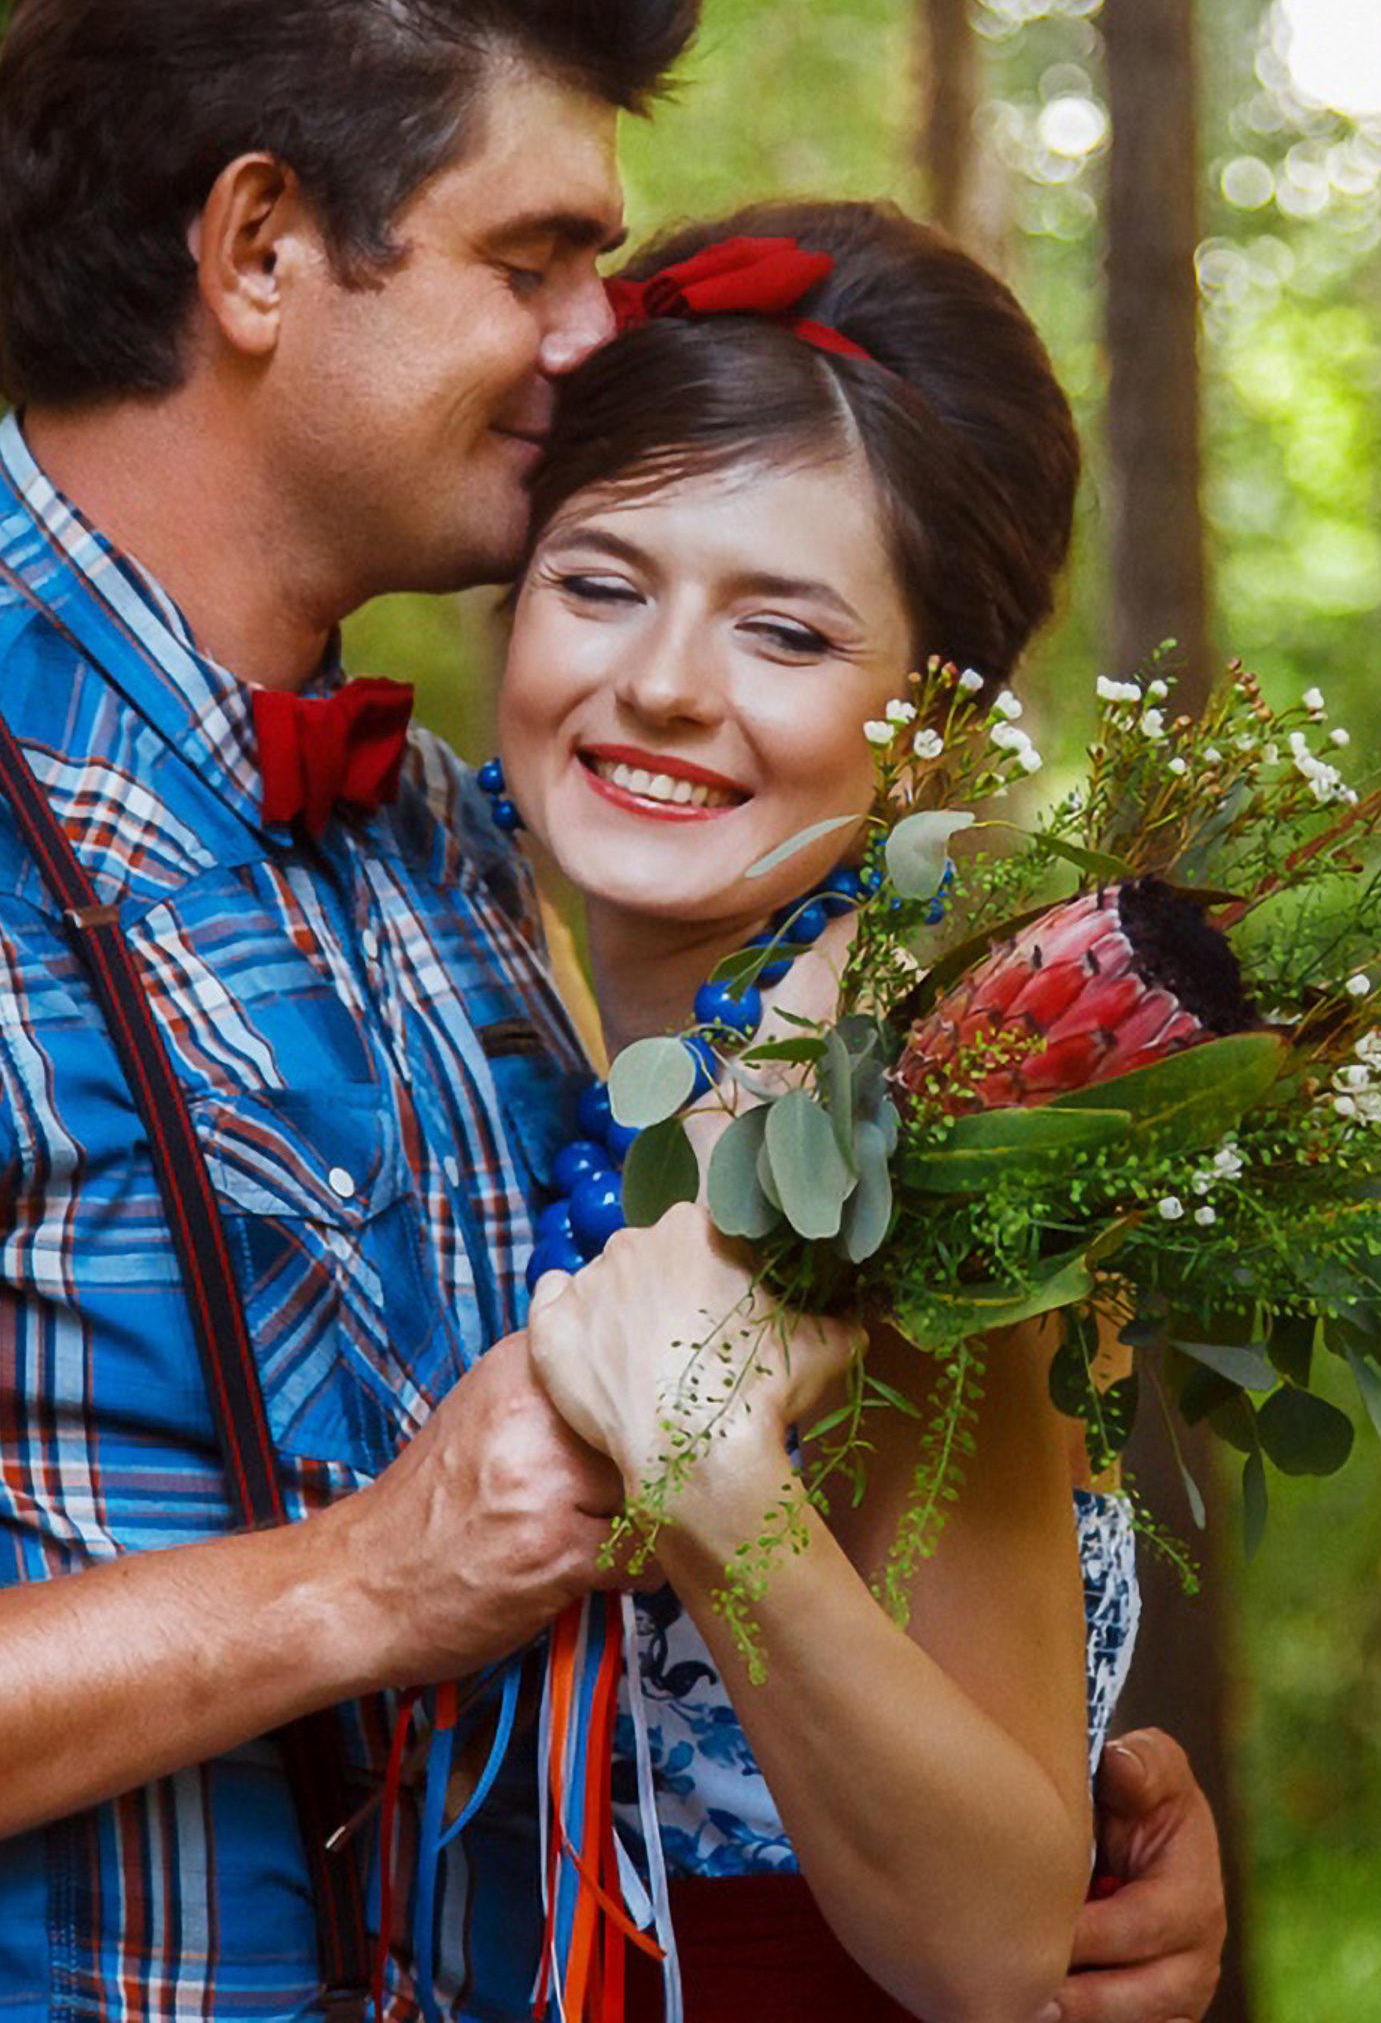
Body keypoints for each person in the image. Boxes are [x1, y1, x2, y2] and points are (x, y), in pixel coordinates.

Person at [0, 0, 1223, 2022]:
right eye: (536, 258)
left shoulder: (450, 857)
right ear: (258, 252)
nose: (590, 340)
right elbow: (417, 1568)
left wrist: (1041, 1861)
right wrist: (344, 1585)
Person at [485, 200, 1133, 2020]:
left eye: (783, 631)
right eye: (601, 582)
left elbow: (1003, 1934)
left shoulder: (908, 1141)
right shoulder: (471, 966)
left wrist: (712, 1476)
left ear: (931, 727)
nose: (665, 684)